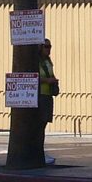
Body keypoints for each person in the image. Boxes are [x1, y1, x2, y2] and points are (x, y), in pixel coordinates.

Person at [37, 38, 59, 166]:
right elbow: (34, 76)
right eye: (46, 47)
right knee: (39, 125)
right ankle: (38, 150)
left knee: (44, 123)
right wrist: (46, 81)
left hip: (48, 94)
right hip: (40, 94)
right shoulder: (37, 62)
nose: (48, 49)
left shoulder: (48, 61)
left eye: (50, 46)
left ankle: (41, 149)